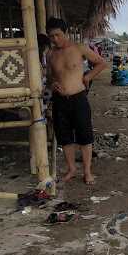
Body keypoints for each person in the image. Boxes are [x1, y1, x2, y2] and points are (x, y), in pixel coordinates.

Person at [46, 17, 107, 185]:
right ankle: (71, 168)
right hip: (60, 100)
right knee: (64, 136)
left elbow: (101, 63)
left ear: (65, 33)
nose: (55, 39)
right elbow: (50, 77)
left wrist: (88, 77)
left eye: (58, 35)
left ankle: (87, 172)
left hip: (78, 98)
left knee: (85, 135)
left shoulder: (79, 48)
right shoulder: (50, 54)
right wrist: (53, 85)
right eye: (51, 36)